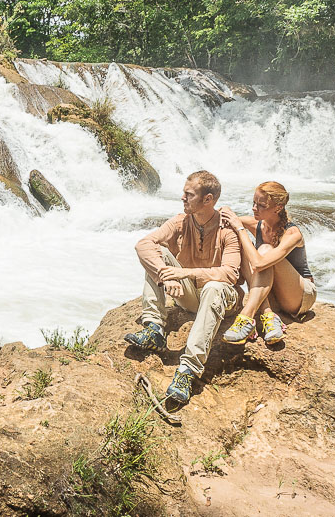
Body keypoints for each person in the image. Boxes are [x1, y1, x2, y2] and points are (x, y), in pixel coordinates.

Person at [124, 170, 241, 404]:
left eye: (189, 194)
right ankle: (155, 330)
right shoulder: (180, 221)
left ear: (208, 200)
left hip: (223, 298)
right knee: (159, 254)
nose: (183, 198)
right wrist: (167, 277)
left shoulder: (228, 230)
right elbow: (144, 244)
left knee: (214, 288)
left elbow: (231, 274)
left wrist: (186, 272)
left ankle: (187, 370)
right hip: (190, 296)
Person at [218, 181, 316, 345]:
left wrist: (241, 229)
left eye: (261, 205)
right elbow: (223, 215)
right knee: (243, 244)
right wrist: (226, 211)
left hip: (300, 297)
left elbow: (258, 264)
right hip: (272, 294)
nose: (254, 208)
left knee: (263, 249)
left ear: (278, 208)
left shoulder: (292, 233)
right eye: (254, 203)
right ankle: (269, 316)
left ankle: (246, 317)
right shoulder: (256, 225)